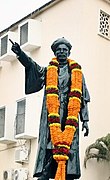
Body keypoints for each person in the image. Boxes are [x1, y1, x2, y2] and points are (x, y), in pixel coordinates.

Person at [11, 37, 90, 180]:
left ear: (69, 52)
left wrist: (85, 120)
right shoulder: (49, 71)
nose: (61, 52)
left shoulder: (76, 73)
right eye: (58, 50)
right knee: (49, 145)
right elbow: (32, 66)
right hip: (51, 115)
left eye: (64, 50)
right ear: (55, 53)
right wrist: (20, 54)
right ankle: (47, 172)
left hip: (69, 116)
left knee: (69, 147)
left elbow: (83, 97)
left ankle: (66, 175)